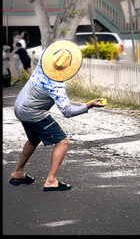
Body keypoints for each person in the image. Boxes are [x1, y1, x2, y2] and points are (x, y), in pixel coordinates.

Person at [10, 39, 105, 192]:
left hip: (19, 108)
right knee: (62, 141)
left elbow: (49, 50)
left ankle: (18, 173)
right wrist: (89, 105)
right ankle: (51, 180)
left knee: (33, 139)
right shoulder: (57, 86)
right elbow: (67, 112)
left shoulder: (42, 65)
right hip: (34, 113)